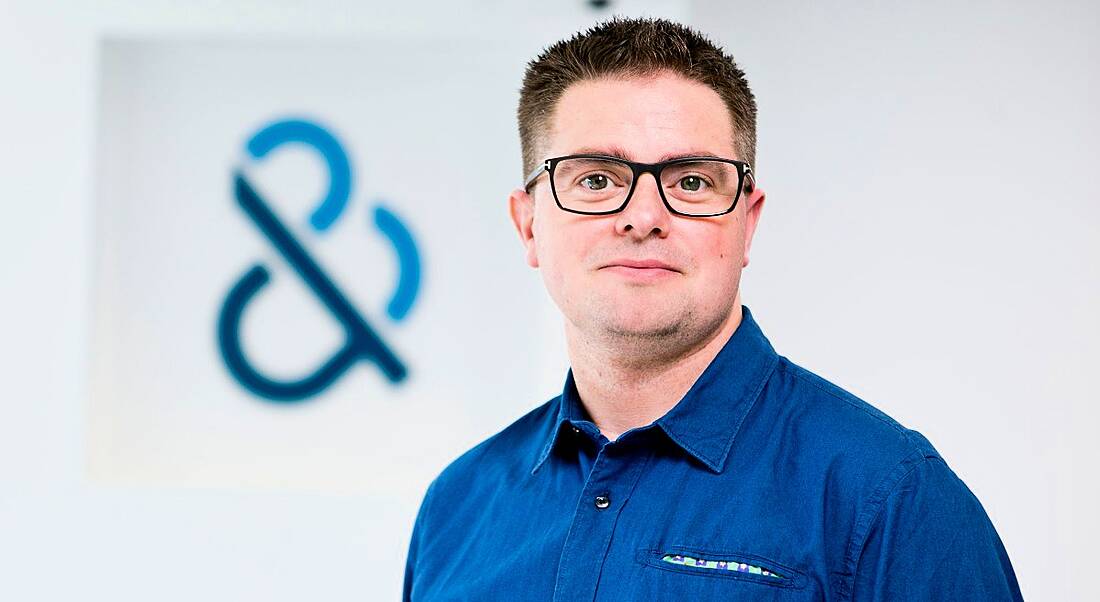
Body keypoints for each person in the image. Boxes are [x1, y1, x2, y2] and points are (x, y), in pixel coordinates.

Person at [403, 17, 1022, 601]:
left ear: (746, 225)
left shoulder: (887, 496)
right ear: (528, 225)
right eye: (596, 179)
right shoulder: (458, 508)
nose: (643, 218)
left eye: (691, 182)